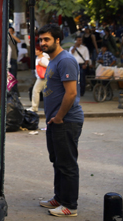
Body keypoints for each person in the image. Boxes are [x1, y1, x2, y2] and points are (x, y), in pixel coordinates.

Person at [39, 23, 84, 217]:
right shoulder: (53, 60)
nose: (42, 43)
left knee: (67, 163)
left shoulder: (66, 60)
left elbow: (71, 93)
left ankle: (70, 206)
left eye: (46, 39)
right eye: (40, 39)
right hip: (55, 121)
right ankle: (59, 198)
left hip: (66, 121)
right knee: (57, 161)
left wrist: (58, 118)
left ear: (58, 39)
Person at [28, 46, 49, 113]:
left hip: (42, 78)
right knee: (45, 92)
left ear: (41, 51)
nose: (35, 51)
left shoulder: (43, 58)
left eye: (37, 50)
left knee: (35, 91)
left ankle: (34, 107)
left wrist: (42, 64)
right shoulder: (37, 58)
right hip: (40, 77)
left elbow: (49, 66)